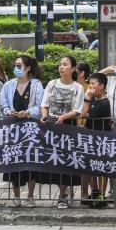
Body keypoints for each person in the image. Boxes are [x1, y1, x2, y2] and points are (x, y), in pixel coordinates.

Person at [40, 55, 86, 209]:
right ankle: (63, 191)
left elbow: (77, 110)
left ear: (73, 68)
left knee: (67, 160)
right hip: (52, 126)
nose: (61, 67)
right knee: (55, 160)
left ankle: (63, 195)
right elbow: (44, 104)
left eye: (65, 64)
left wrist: (64, 117)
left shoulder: (77, 87)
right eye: (60, 64)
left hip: (68, 126)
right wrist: (44, 116)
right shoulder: (52, 84)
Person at [0, 55, 44, 207]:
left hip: (30, 129)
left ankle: (30, 196)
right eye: (15, 65)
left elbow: (40, 106)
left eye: (19, 66)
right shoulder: (8, 85)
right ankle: (16, 196)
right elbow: (3, 104)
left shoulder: (36, 85)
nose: (16, 68)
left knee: (31, 162)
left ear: (28, 68)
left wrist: (28, 112)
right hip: (12, 128)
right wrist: (8, 111)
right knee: (13, 162)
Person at [81, 72, 112, 207]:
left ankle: (101, 194)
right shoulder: (94, 98)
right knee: (92, 165)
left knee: (102, 168)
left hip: (102, 138)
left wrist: (87, 98)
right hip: (90, 136)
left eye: (93, 84)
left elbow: (84, 114)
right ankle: (94, 191)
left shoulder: (103, 102)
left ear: (101, 86)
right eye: (90, 84)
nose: (90, 87)